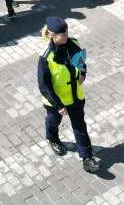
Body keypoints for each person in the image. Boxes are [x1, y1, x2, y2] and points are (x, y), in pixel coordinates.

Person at [38, 16, 100, 173]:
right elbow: (44, 85)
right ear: (51, 34)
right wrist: (58, 105)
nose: (66, 36)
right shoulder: (46, 57)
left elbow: (81, 62)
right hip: (56, 101)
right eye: (62, 34)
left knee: (80, 126)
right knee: (53, 121)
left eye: (66, 32)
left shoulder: (74, 44)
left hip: (75, 96)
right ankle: (52, 138)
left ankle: (87, 157)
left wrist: (83, 73)